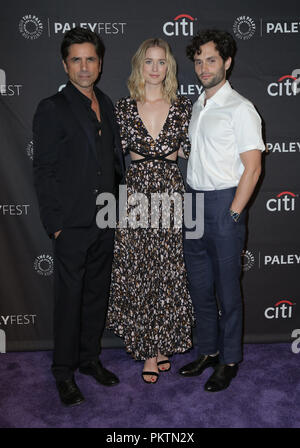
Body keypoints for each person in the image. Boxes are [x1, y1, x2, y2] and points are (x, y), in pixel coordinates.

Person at [33, 27, 125, 406]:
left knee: (95, 295)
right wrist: (54, 224)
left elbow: (114, 164)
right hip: (70, 223)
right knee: (69, 298)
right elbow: (45, 170)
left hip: (106, 219)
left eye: (91, 59)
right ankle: (63, 371)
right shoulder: (51, 108)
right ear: (65, 64)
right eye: (77, 59)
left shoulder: (106, 102)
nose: (84, 67)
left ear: (100, 64)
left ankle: (89, 359)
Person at [179, 30, 265, 391]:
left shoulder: (241, 108)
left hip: (223, 205)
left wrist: (233, 213)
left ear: (227, 62)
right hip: (193, 203)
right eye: (198, 61)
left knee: (227, 291)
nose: (203, 67)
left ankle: (229, 360)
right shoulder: (199, 105)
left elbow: (254, 167)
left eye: (210, 60)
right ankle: (208, 351)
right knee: (199, 288)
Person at [106, 38, 194, 384]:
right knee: (140, 268)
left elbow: (194, 152)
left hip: (171, 192)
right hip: (137, 195)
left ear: (169, 67)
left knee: (168, 269)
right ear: (139, 66)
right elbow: (110, 156)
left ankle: (163, 345)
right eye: (149, 62)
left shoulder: (184, 108)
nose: (155, 69)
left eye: (161, 62)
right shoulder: (123, 109)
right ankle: (146, 351)